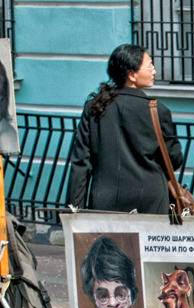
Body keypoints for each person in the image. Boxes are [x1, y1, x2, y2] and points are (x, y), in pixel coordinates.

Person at [67, 44, 184, 215]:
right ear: (132, 75)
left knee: (108, 242)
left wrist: (74, 209)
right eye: (149, 65)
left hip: (104, 201)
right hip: (150, 202)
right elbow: (174, 160)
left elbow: (80, 163)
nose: (154, 71)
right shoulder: (158, 111)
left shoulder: (94, 107)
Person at [80, 236, 139, 308]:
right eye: (103, 296)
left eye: (120, 295)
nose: (113, 303)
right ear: (93, 297)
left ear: (131, 291)